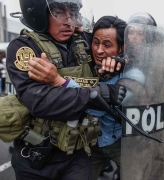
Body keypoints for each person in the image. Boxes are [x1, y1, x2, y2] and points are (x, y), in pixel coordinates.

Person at [6, 1, 126, 180]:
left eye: (72, 13)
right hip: (36, 155)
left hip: (78, 152)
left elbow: (124, 45)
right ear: (38, 13)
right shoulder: (25, 48)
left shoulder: (85, 41)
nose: (69, 21)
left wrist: (120, 60)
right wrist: (99, 94)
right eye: (58, 12)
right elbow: (40, 102)